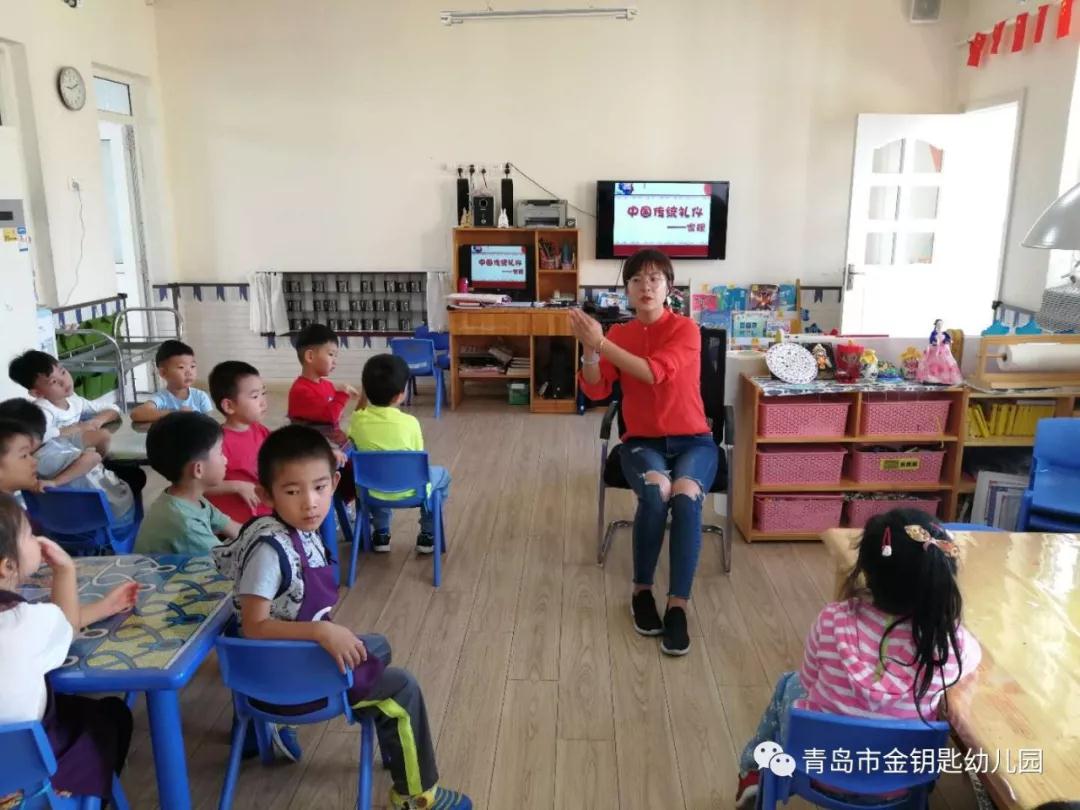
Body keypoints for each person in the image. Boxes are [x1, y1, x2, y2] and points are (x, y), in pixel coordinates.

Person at [212, 425, 472, 810]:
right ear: (266, 495)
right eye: (292, 491)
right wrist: (321, 631)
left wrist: (326, 633)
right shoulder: (269, 551)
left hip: (279, 666)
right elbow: (254, 626)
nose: (310, 503)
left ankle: (289, 724)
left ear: (334, 483)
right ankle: (417, 796)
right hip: (290, 677)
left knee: (378, 645)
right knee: (403, 688)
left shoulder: (297, 529)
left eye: (319, 487)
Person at [733, 510, 982, 808]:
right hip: (900, 781)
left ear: (867, 571)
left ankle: (753, 770)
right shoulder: (948, 644)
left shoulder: (832, 620)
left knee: (789, 683)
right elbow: (975, 656)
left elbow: (809, 683)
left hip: (817, 769)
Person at [571, 248, 717, 656]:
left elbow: (655, 373)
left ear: (670, 287)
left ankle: (678, 605)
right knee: (657, 492)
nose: (646, 286)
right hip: (641, 442)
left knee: (685, 497)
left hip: (694, 440)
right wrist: (590, 351)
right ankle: (641, 592)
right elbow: (595, 389)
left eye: (654, 279)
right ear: (627, 290)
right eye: (636, 280)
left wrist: (601, 341)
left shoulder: (686, 330)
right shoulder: (620, 335)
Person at [0, 492, 136, 803]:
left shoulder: (30, 621)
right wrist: (65, 571)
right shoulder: (26, 621)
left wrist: (102, 607)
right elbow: (67, 627)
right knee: (112, 716)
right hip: (27, 790)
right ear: (7, 565)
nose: (38, 539)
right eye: (29, 534)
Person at [346, 354, 450, 553]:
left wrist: (364, 396)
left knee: (376, 473)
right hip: (411, 491)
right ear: (401, 394)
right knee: (442, 475)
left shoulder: (357, 421)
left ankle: (381, 533)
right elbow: (418, 456)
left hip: (370, 492)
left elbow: (357, 414)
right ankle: (428, 534)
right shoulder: (410, 423)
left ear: (366, 389)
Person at [0, 399, 138, 526]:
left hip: (70, 522)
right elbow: (95, 454)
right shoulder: (44, 460)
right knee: (135, 477)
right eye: (24, 455)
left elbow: (101, 436)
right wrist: (56, 482)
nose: (33, 462)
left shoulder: (18, 496)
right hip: (108, 517)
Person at [135, 412, 241, 554]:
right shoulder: (185, 524)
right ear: (198, 469)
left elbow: (236, 529)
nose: (225, 459)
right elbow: (227, 560)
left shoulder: (191, 499)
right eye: (220, 452)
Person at [7, 350, 117, 452]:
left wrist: (97, 421)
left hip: (70, 449)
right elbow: (35, 437)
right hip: (51, 455)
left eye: (63, 372)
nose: (64, 381)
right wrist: (74, 429)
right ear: (37, 393)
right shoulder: (42, 410)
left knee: (102, 436)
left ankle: (99, 463)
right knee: (100, 438)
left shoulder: (73, 400)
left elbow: (113, 409)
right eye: (53, 381)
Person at [205, 361, 273, 525]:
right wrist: (237, 486)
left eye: (263, 393)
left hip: (266, 516)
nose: (263, 402)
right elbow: (201, 486)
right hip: (236, 527)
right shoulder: (218, 442)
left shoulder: (260, 430)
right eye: (255, 396)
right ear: (229, 406)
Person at [286, 323, 357, 443]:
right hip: (310, 447)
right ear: (310, 356)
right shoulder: (300, 391)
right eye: (331, 354)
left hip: (326, 442)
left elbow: (334, 415)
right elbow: (330, 416)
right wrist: (342, 394)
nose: (335, 361)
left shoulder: (328, 385)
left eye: (336, 356)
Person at [130, 340, 214, 422]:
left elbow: (211, 424)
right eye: (181, 367)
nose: (189, 372)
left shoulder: (201, 397)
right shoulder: (161, 398)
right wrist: (175, 413)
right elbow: (136, 414)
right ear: (163, 373)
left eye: (192, 366)